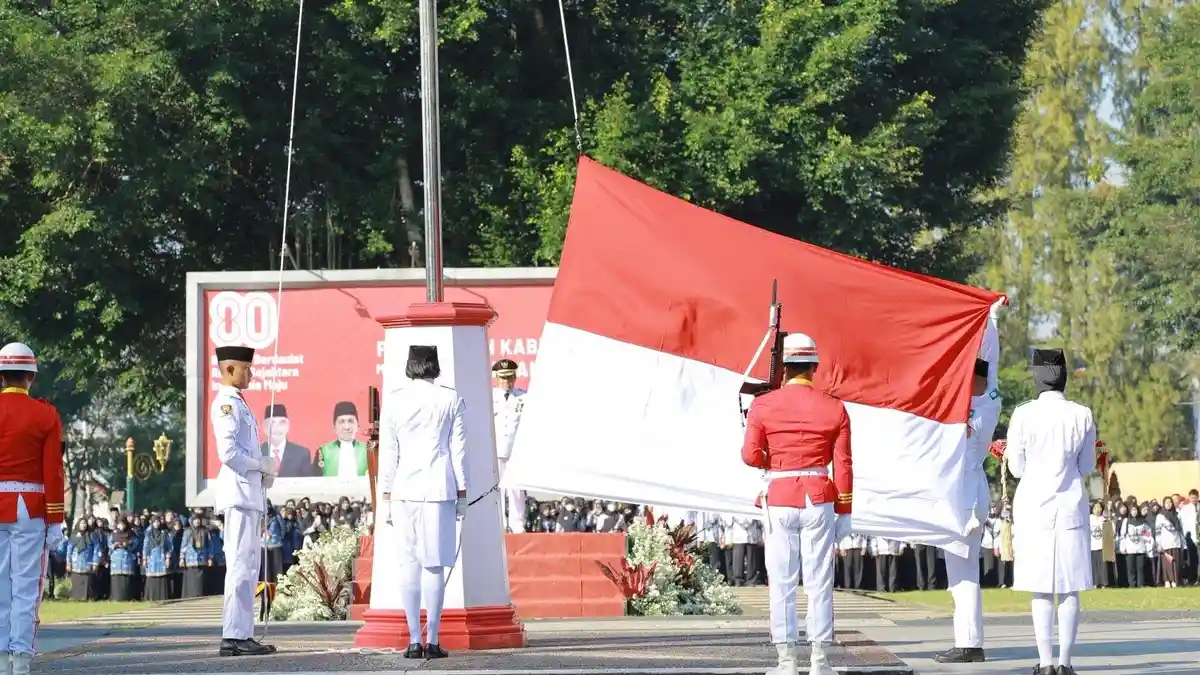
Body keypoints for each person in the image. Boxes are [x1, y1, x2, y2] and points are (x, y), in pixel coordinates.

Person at [739, 333, 852, 675]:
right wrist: (844, 510)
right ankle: (820, 661)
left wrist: (759, 438)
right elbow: (844, 465)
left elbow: (750, 456)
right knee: (819, 582)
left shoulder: (763, 405)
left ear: (784, 367)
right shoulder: (835, 406)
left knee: (782, 582)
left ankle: (786, 662)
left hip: (780, 497)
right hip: (819, 497)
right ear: (815, 367)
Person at [999, 348, 1097, 675]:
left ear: (1036, 376)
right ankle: (1066, 663)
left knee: (1041, 588)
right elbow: (1085, 467)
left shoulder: (1023, 414)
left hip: (1034, 505)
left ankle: (1045, 663)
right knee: (1069, 589)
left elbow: (1015, 468)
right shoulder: (1082, 414)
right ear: (1064, 375)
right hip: (1069, 502)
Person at [377, 345, 469, 660]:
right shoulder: (450, 398)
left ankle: (414, 640)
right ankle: (433, 638)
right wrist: (463, 493)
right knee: (434, 566)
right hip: (439, 489)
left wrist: (385, 496)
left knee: (408, 565)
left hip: (403, 489)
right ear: (435, 367)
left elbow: (388, 454)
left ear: (410, 366)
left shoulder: (394, 401)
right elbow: (459, 452)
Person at [0, 343, 66, 675]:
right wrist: (56, 519)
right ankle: (20, 661)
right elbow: (53, 470)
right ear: (31, 377)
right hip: (30, 508)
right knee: (26, 587)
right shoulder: (45, 413)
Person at [211, 345, 279, 657]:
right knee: (239, 566)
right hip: (238, 494)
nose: (250, 373)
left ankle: (242, 633)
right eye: (246, 368)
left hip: (249, 494)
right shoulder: (226, 404)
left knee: (249, 568)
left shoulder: (239, 403)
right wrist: (258, 465)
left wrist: (263, 470)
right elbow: (227, 454)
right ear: (229, 370)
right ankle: (233, 636)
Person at [935, 357, 1000, 663]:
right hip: (969, 493)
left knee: (962, 574)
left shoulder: (982, 408)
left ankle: (969, 642)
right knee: (963, 572)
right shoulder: (983, 404)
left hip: (966, 498)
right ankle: (967, 639)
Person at [491, 359, 526, 533]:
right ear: (497, 378)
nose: (507, 381)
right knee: (497, 489)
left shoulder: (524, 397)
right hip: (495, 449)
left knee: (516, 489)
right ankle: (500, 523)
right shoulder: (489, 397)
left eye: (510, 377)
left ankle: (517, 523)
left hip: (516, 449)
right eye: (503, 378)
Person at [315, 402, 369, 477]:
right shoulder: (323, 452)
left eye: (350, 421)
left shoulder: (369, 451)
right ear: (334, 428)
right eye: (341, 422)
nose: (346, 427)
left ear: (358, 426)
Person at [259, 404, 314, 477]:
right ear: (265, 428)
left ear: (288, 426)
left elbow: (307, 484)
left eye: (282, 423)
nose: (277, 428)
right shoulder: (254, 453)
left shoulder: (301, 454)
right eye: (272, 423)